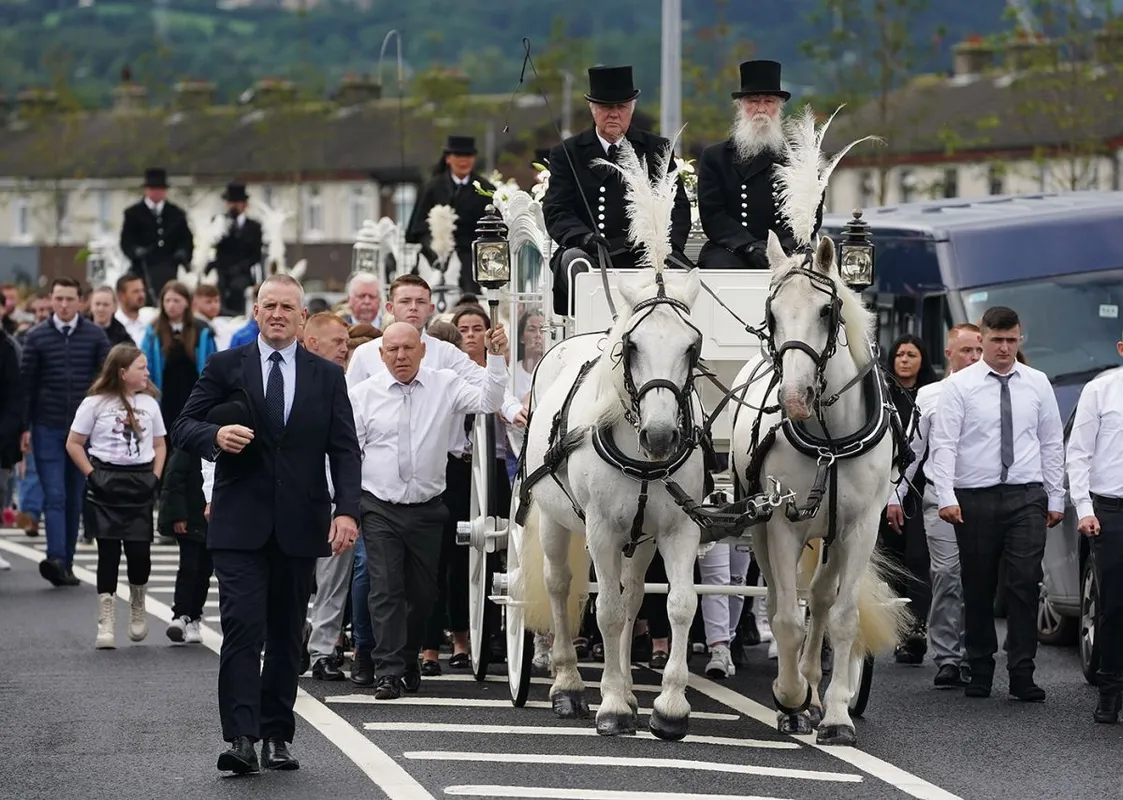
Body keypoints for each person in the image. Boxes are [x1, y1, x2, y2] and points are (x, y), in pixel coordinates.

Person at [171, 274, 362, 774]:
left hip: (300, 525)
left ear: (303, 319)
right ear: (256, 313)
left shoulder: (326, 375)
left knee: (284, 635)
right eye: (268, 306)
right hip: (239, 524)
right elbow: (183, 426)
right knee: (241, 629)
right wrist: (216, 433)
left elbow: (344, 450)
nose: (277, 314)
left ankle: (278, 734)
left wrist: (347, 510)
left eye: (287, 308)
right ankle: (241, 738)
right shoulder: (224, 365)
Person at [350, 321, 509, 699]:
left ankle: (406, 659)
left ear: (422, 350)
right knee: (385, 588)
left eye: (408, 348)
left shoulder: (445, 384)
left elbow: (490, 402)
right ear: (381, 354)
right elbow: (349, 455)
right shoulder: (362, 396)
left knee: (423, 594)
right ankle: (387, 671)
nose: (401, 356)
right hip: (379, 506)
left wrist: (497, 358)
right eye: (393, 350)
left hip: (426, 508)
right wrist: (344, 507)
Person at [928, 306, 1064, 702]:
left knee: (1025, 583)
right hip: (974, 498)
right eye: (997, 341)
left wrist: (1055, 496)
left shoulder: (1037, 383)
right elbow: (945, 444)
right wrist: (947, 496)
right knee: (977, 584)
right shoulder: (960, 386)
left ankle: (1022, 672)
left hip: (1026, 496)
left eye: (1011, 340)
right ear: (982, 339)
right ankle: (981, 668)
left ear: (1020, 339)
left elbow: (1052, 442)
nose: (1004, 348)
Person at [543, 65, 691, 315]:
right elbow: (556, 209)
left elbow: (677, 207)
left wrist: (664, 246)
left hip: (643, 252)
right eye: (605, 108)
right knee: (572, 261)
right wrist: (583, 237)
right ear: (593, 110)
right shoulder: (568, 152)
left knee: (691, 278)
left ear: (631, 108)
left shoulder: (656, 149)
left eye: (620, 107)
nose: (613, 114)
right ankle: (588, 324)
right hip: (592, 251)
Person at [887, 323, 982, 688]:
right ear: (949, 353)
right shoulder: (929, 395)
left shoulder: (994, 392)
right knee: (946, 574)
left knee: (978, 579)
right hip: (939, 496)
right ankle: (948, 658)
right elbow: (914, 451)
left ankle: (977, 654)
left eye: (977, 350)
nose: (973, 357)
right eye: (966, 351)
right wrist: (894, 495)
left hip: (985, 498)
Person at [66, 344, 166, 648]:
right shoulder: (94, 403)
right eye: (141, 367)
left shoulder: (150, 405)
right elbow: (74, 443)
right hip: (105, 481)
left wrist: (155, 477)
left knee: (139, 553)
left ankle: (138, 603)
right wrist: (92, 475)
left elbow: (161, 444)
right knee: (107, 553)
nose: (147, 372)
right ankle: (106, 619)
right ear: (122, 373)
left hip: (139, 482)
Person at [20, 277, 111, 587]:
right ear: (51, 299)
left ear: (80, 302)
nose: (63, 304)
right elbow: (26, 386)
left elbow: (107, 379)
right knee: (55, 495)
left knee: (75, 495)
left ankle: (67, 564)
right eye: (58, 298)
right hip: (47, 425)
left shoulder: (96, 336)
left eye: (69, 299)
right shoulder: (37, 337)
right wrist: (24, 428)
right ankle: (57, 557)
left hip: (84, 431)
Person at [696, 60, 821, 269]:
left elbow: (811, 214)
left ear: (779, 107)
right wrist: (749, 246)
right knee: (717, 271)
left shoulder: (800, 157)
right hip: (732, 247)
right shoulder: (715, 157)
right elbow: (713, 215)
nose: (761, 109)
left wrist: (777, 248)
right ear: (740, 106)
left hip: (786, 249)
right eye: (753, 101)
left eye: (769, 101)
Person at [1065, 334, 1123, 723]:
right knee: (1115, 605)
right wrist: (1084, 508)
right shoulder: (1101, 390)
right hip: (1111, 511)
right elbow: (1079, 452)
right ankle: (1110, 688)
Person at [302, 312, 357, 681]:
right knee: (289, 580)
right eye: (338, 342)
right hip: (294, 498)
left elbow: (350, 448)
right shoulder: (288, 379)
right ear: (313, 343)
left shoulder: (348, 382)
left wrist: (348, 507)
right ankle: (291, 643)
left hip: (334, 498)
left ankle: (323, 650)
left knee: (334, 581)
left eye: (347, 342)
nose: (346, 348)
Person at [880, 334, 938, 664]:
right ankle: (895, 627)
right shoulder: (881, 395)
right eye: (899, 354)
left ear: (922, 359)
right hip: (879, 488)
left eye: (911, 354)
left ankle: (914, 630)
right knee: (890, 563)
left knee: (918, 560)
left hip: (918, 488)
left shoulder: (930, 396)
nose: (904, 359)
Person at [406, 136, 495, 296]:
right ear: (448, 159)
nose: (463, 161)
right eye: (458, 156)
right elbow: (417, 227)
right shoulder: (432, 188)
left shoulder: (485, 189)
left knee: (473, 290)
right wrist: (437, 244)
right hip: (436, 254)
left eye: (467, 156)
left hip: (472, 255)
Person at [139, 282, 217, 437]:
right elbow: (145, 362)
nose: (171, 305)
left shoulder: (202, 330)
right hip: (164, 395)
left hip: (192, 394)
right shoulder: (153, 331)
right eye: (167, 301)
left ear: (187, 302)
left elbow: (212, 363)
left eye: (176, 301)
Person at [119, 168, 194, 305]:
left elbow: (186, 239)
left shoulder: (176, 214)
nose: (157, 192)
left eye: (160, 189)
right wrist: (135, 251)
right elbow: (126, 241)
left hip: (168, 266)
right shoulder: (133, 213)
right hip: (144, 266)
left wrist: (183, 252)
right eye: (153, 188)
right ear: (146, 190)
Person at [206, 182, 264, 316]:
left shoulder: (253, 227)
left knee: (239, 290)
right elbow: (212, 246)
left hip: (242, 273)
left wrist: (240, 267)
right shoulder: (218, 222)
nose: (233, 206)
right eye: (231, 202)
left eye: (237, 202)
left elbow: (256, 254)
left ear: (244, 204)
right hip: (222, 272)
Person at [114, 274, 150, 346]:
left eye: (142, 290)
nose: (141, 295)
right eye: (135, 291)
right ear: (121, 296)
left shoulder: (150, 320)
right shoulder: (114, 324)